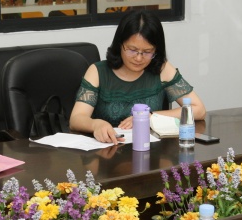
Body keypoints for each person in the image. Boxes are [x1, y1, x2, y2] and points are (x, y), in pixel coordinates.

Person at [70, 10, 206, 144]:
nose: (139, 58)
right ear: (120, 44)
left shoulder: (162, 69)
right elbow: (76, 119)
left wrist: (149, 117)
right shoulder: (98, 72)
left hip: (151, 150)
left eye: (147, 52)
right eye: (132, 50)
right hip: (108, 149)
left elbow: (198, 110)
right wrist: (96, 125)